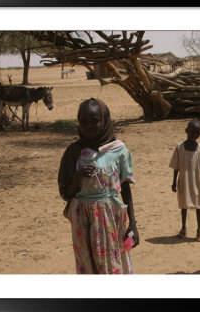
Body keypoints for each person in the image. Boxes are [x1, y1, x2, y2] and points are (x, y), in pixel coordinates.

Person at [58, 98, 139, 274]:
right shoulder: (74, 152)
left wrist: (133, 224)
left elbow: (125, 189)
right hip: (81, 218)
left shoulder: (118, 150)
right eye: (83, 121)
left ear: (105, 121)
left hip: (109, 216)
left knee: (111, 263)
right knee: (87, 265)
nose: (88, 126)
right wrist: (78, 176)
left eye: (94, 121)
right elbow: (67, 193)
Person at [169, 120, 200, 242]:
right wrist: (174, 182)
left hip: (198, 181)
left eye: (197, 132)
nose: (194, 134)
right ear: (186, 131)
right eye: (192, 131)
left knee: (199, 204)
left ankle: (199, 230)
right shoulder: (180, 147)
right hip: (184, 181)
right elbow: (176, 166)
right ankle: (183, 228)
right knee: (183, 205)